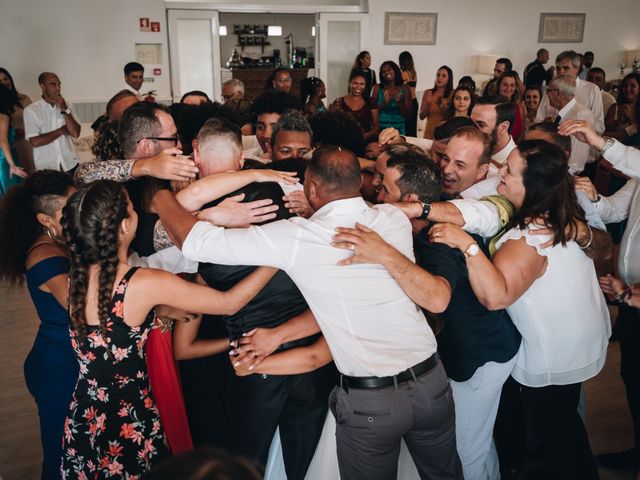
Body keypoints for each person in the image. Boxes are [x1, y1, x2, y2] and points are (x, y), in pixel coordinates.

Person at [153, 146, 464, 480]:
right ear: (360, 182)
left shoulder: (299, 237)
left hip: (372, 403)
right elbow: (348, 301)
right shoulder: (390, 219)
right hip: (433, 383)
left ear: (311, 189)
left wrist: (158, 197)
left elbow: (192, 242)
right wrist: (279, 335)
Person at [58, 180, 278, 479]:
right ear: (124, 227)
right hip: (128, 418)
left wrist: (159, 310)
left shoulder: (76, 277)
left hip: (85, 414)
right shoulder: (144, 282)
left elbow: (113, 324)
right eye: (133, 210)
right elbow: (230, 303)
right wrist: (278, 257)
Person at [333, 150, 521, 480]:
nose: (376, 191)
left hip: (478, 355)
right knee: (477, 438)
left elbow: (438, 299)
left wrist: (383, 254)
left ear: (410, 200)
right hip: (468, 349)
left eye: (383, 187)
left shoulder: (436, 238)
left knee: (466, 452)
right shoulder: (419, 222)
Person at [428, 140, 610, 480]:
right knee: (566, 428)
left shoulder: (528, 239)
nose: (502, 172)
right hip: (576, 341)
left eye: (509, 170)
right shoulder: (561, 211)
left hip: (552, 355)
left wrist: (466, 244)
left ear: (532, 185)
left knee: (556, 436)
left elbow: (496, 296)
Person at [559, 119, 640, 477]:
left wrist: (600, 142)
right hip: (630, 299)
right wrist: (593, 198)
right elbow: (615, 211)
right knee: (632, 377)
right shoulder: (638, 180)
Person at [0, 170, 78, 480]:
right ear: (46, 220)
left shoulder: (60, 240)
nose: (77, 214)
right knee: (60, 457)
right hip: (58, 366)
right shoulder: (44, 257)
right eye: (68, 210)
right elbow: (84, 309)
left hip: (63, 357)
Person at [535, 50, 604, 134]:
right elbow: (538, 120)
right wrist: (546, 124)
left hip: (579, 142)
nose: (561, 72)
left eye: (565, 68)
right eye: (558, 68)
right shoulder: (551, 89)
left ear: (577, 68)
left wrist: (579, 123)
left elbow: (600, 127)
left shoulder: (591, 90)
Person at [23, 72, 80, 173]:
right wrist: (61, 131)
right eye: (53, 84)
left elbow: (75, 133)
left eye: (59, 84)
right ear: (43, 86)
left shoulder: (67, 105)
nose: (58, 88)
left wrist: (64, 108)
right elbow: (35, 142)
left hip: (70, 163)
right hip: (47, 167)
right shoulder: (31, 110)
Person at [545, 75, 596, 173]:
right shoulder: (560, 112)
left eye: (549, 90)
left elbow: (575, 162)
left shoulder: (580, 115)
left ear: (558, 93)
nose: (547, 94)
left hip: (570, 175)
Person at [0, 67, 34, 174]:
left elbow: (35, 122)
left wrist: (24, 130)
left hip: (26, 141)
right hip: (9, 146)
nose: (4, 83)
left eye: (6, 78)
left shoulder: (24, 99)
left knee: (30, 173)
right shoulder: (2, 107)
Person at [471, 96, 517, 169]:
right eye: (471, 122)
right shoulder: (470, 147)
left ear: (503, 127)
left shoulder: (515, 167)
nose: (471, 129)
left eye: (481, 125)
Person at [329, 71, 379, 139]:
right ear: (350, 83)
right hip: (344, 141)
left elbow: (376, 127)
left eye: (362, 84)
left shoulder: (371, 102)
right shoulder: (339, 102)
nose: (358, 87)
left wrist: (364, 136)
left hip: (365, 141)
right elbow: (334, 125)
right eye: (355, 83)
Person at [0, 84, 27, 194]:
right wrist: (12, 165)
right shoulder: (3, 116)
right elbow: (2, 140)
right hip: (4, 161)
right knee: (10, 195)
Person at [372, 61, 412, 135]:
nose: (387, 73)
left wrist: (400, 103)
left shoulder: (405, 88)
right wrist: (383, 103)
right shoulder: (377, 88)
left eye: (389, 69)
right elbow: (371, 113)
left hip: (398, 129)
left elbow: (408, 115)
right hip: (380, 129)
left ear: (395, 70)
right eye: (383, 71)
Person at [419, 66, 454, 139]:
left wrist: (441, 105)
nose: (440, 78)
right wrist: (427, 103)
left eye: (443, 76)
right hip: (429, 133)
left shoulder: (452, 94)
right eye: (438, 75)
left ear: (449, 79)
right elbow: (421, 116)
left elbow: (450, 116)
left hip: (444, 135)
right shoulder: (428, 92)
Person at [605, 72, 639, 141]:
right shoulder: (615, 107)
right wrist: (618, 121)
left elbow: (631, 132)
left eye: (632, 86)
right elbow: (605, 130)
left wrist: (630, 118)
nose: (628, 89)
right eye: (625, 86)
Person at [496, 71, 526, 141]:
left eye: (512, 85)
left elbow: (522, 135)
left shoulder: (520, 108)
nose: (508, 88)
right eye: (505, 85)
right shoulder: (491, 106)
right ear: (499, 85)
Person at [399, 51, 418, 137]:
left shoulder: (404, 73)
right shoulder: (414, 73)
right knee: (412, 128)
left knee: (406, 128)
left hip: (407, 102)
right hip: (414, 102)